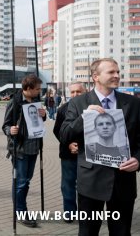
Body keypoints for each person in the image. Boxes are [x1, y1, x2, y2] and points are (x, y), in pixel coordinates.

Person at [60, 58, 140, 235]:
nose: (117, 76)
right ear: (95, 76)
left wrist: (138, 160)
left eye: (118, 72)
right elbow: (65, 135)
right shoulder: (78, 103)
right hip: (91, 182)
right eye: (111, 72)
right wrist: (84, 118)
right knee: (88, 232)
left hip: (123, 182)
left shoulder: (133, 103)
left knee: (121, 232)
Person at [2, 74, 46, 228]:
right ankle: (20, 211)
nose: (39, 91)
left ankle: (20, 208)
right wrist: (10, 130)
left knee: (26, 181)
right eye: (37, 89)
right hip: (20, 149)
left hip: (34, 147)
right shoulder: (15, 102)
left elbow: (39, 121)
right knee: (21, 182)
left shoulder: (36, 101)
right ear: (27, 89)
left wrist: (44, 115)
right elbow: (5, 125)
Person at [53, 81, 86, 222]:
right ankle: (70, 213)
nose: (75, 94)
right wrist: (68, 145)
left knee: (86, 185)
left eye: (78, 91)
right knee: (67, 185)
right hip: (68, 155)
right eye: (72, 92)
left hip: (87, 154)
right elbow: (57, 131)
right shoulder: (63, 110)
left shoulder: (92, 108)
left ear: (85, 91)